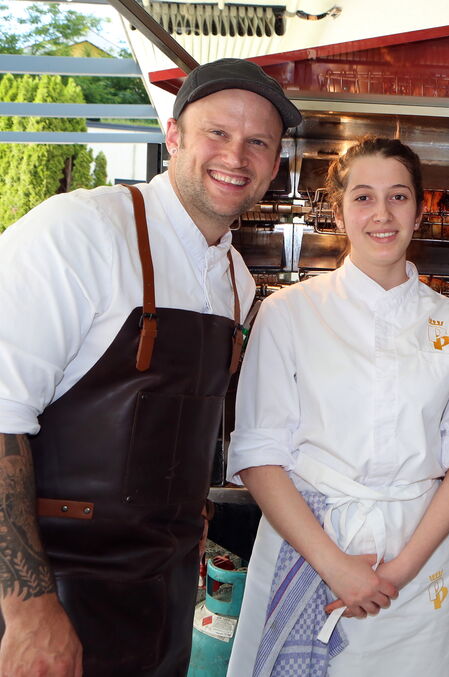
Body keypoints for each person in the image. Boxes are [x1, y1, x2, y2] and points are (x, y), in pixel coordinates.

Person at [0, 58, 301, 676]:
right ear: (173, 137)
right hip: (53, 597)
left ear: (275, 166)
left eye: (258, 142)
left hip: (162, 604)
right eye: (217, 132)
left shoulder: (237, 282)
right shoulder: (80, 232)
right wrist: (29, 613)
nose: (235, 156)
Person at [226, 136, 449, 676]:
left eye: (398, 197)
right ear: (339, 212)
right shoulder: (289, 313)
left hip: (418, 565)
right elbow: (258, 454)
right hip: (311, 549)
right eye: (363, 197)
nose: (382, 214)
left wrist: (398, 571)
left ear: (420, 211)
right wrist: (337, 567)